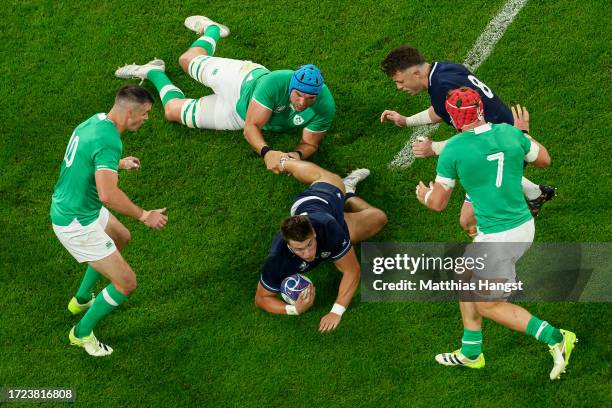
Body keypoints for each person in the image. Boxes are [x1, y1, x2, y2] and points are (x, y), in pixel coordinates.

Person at [415, 87, 576, 380]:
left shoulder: (453, 149)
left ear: (452, 116)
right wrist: (523, 134)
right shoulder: (509, 133)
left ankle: (556, 337)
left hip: (500, 237)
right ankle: (471, 352)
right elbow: (544, 160)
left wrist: (423, 194)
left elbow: (437, 204)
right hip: (521, 224)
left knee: (487, 304)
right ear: (480, 109)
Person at [116, 15, 336, 174]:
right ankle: (213, 29)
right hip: (239, 81)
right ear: (291, 87)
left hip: (239, 114)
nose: (302, 102)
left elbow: (310, 144)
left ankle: (154, 71)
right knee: (186, 61)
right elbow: (252, 128)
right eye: (298, 95)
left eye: (310, 98)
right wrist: (267, 152)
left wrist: (294, 156)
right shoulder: (273, 84)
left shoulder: (324, 107)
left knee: (172, 111)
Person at [380, 45, 555, 234]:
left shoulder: (442, 87)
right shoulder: (444, 70)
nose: (399, 87)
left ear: (415, 73)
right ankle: (536, 194)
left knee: (468, 219)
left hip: (497, 143)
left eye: (400, 81)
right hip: (504, 135)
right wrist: (406, 121)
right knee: (499, 174)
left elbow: (472, 137)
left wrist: (435, 148)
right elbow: (441, 110)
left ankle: (493, 250)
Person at [50, 85, 168, 356]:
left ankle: (80, 300)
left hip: (76, 206)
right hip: (76, 222)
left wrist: (117, 163)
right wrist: (144, 215)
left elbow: (85, 160)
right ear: (129, 113)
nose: (147, 118)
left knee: (121, 237)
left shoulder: (95, 122)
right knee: (127, 282)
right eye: (146, 113)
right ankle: (81, 334)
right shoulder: (109, 141)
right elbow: (108, 194)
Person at [255, 159, 387, 332]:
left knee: (378, 216)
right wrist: (293, 309)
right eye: (299, 249)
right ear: (288, 245)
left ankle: (286, 161)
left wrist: (336, 311)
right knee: (378, 218)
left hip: (326, 196)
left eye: (310, 244)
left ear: (315, 233)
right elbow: (262, 298)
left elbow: (352, 271)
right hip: (320, 211)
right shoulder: (278, 257)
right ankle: (346, 197)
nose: (308, 253)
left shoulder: (328, 228)